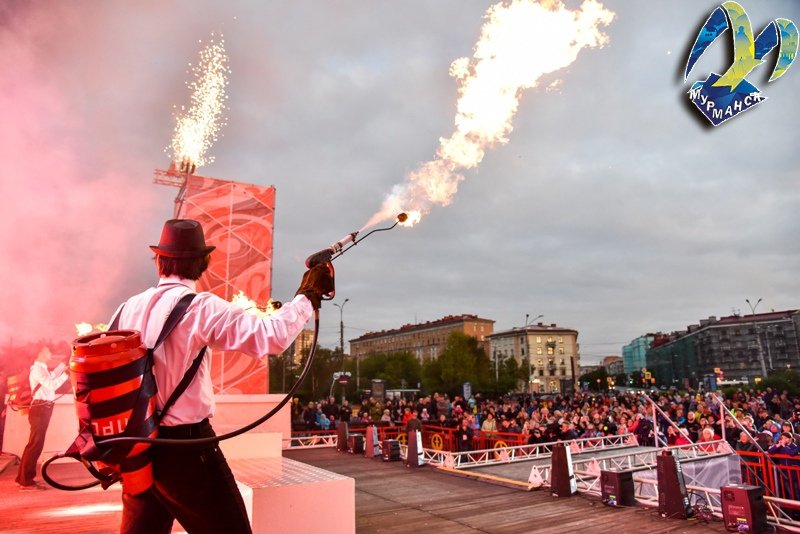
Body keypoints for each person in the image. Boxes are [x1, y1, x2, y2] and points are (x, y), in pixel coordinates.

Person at [112, 219, 333, 534]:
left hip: (135, 446)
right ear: (203, 264)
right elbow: (272, 337)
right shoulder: (200, 307)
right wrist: (307, 296)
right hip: (185, 451)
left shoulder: (125, 309)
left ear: (160, 260)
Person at [15, 346, 68, 490]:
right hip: (40, 410)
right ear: (39, 354)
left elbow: (51, 376)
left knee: (34, 444)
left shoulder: (41, 368)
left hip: (42, 408)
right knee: (35, 445)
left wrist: (64, 363)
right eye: (46, 351)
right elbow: (51, 384)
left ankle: (22, 479)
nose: (50, 352)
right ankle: (26, 482)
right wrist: (66, 374)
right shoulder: (37, 369)